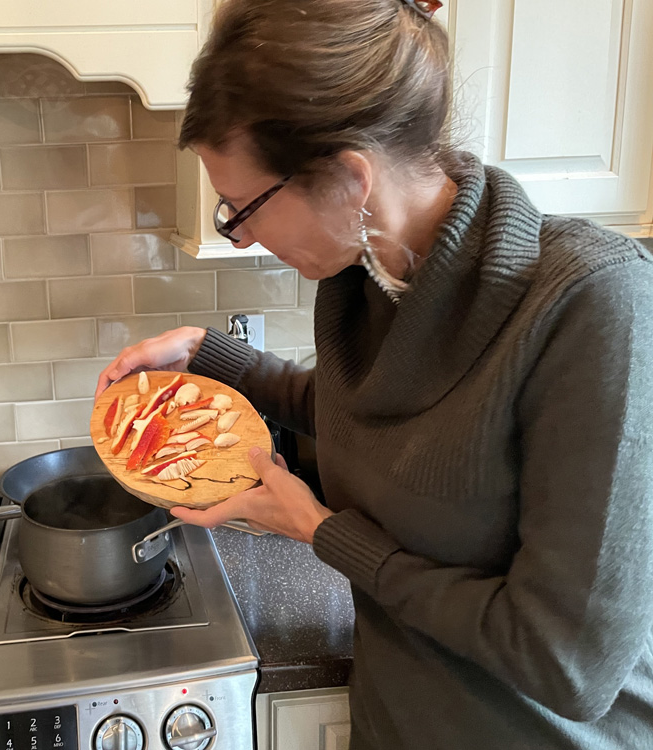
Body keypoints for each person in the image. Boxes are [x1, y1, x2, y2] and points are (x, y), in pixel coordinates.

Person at [94, 0, 653, 747]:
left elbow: (567, 665)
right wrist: (210, 353)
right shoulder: (366, 280)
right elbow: (373, 420)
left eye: (243, 207)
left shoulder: (593, 306)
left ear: (350, 178)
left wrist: (322, 531)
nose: (243, 232)